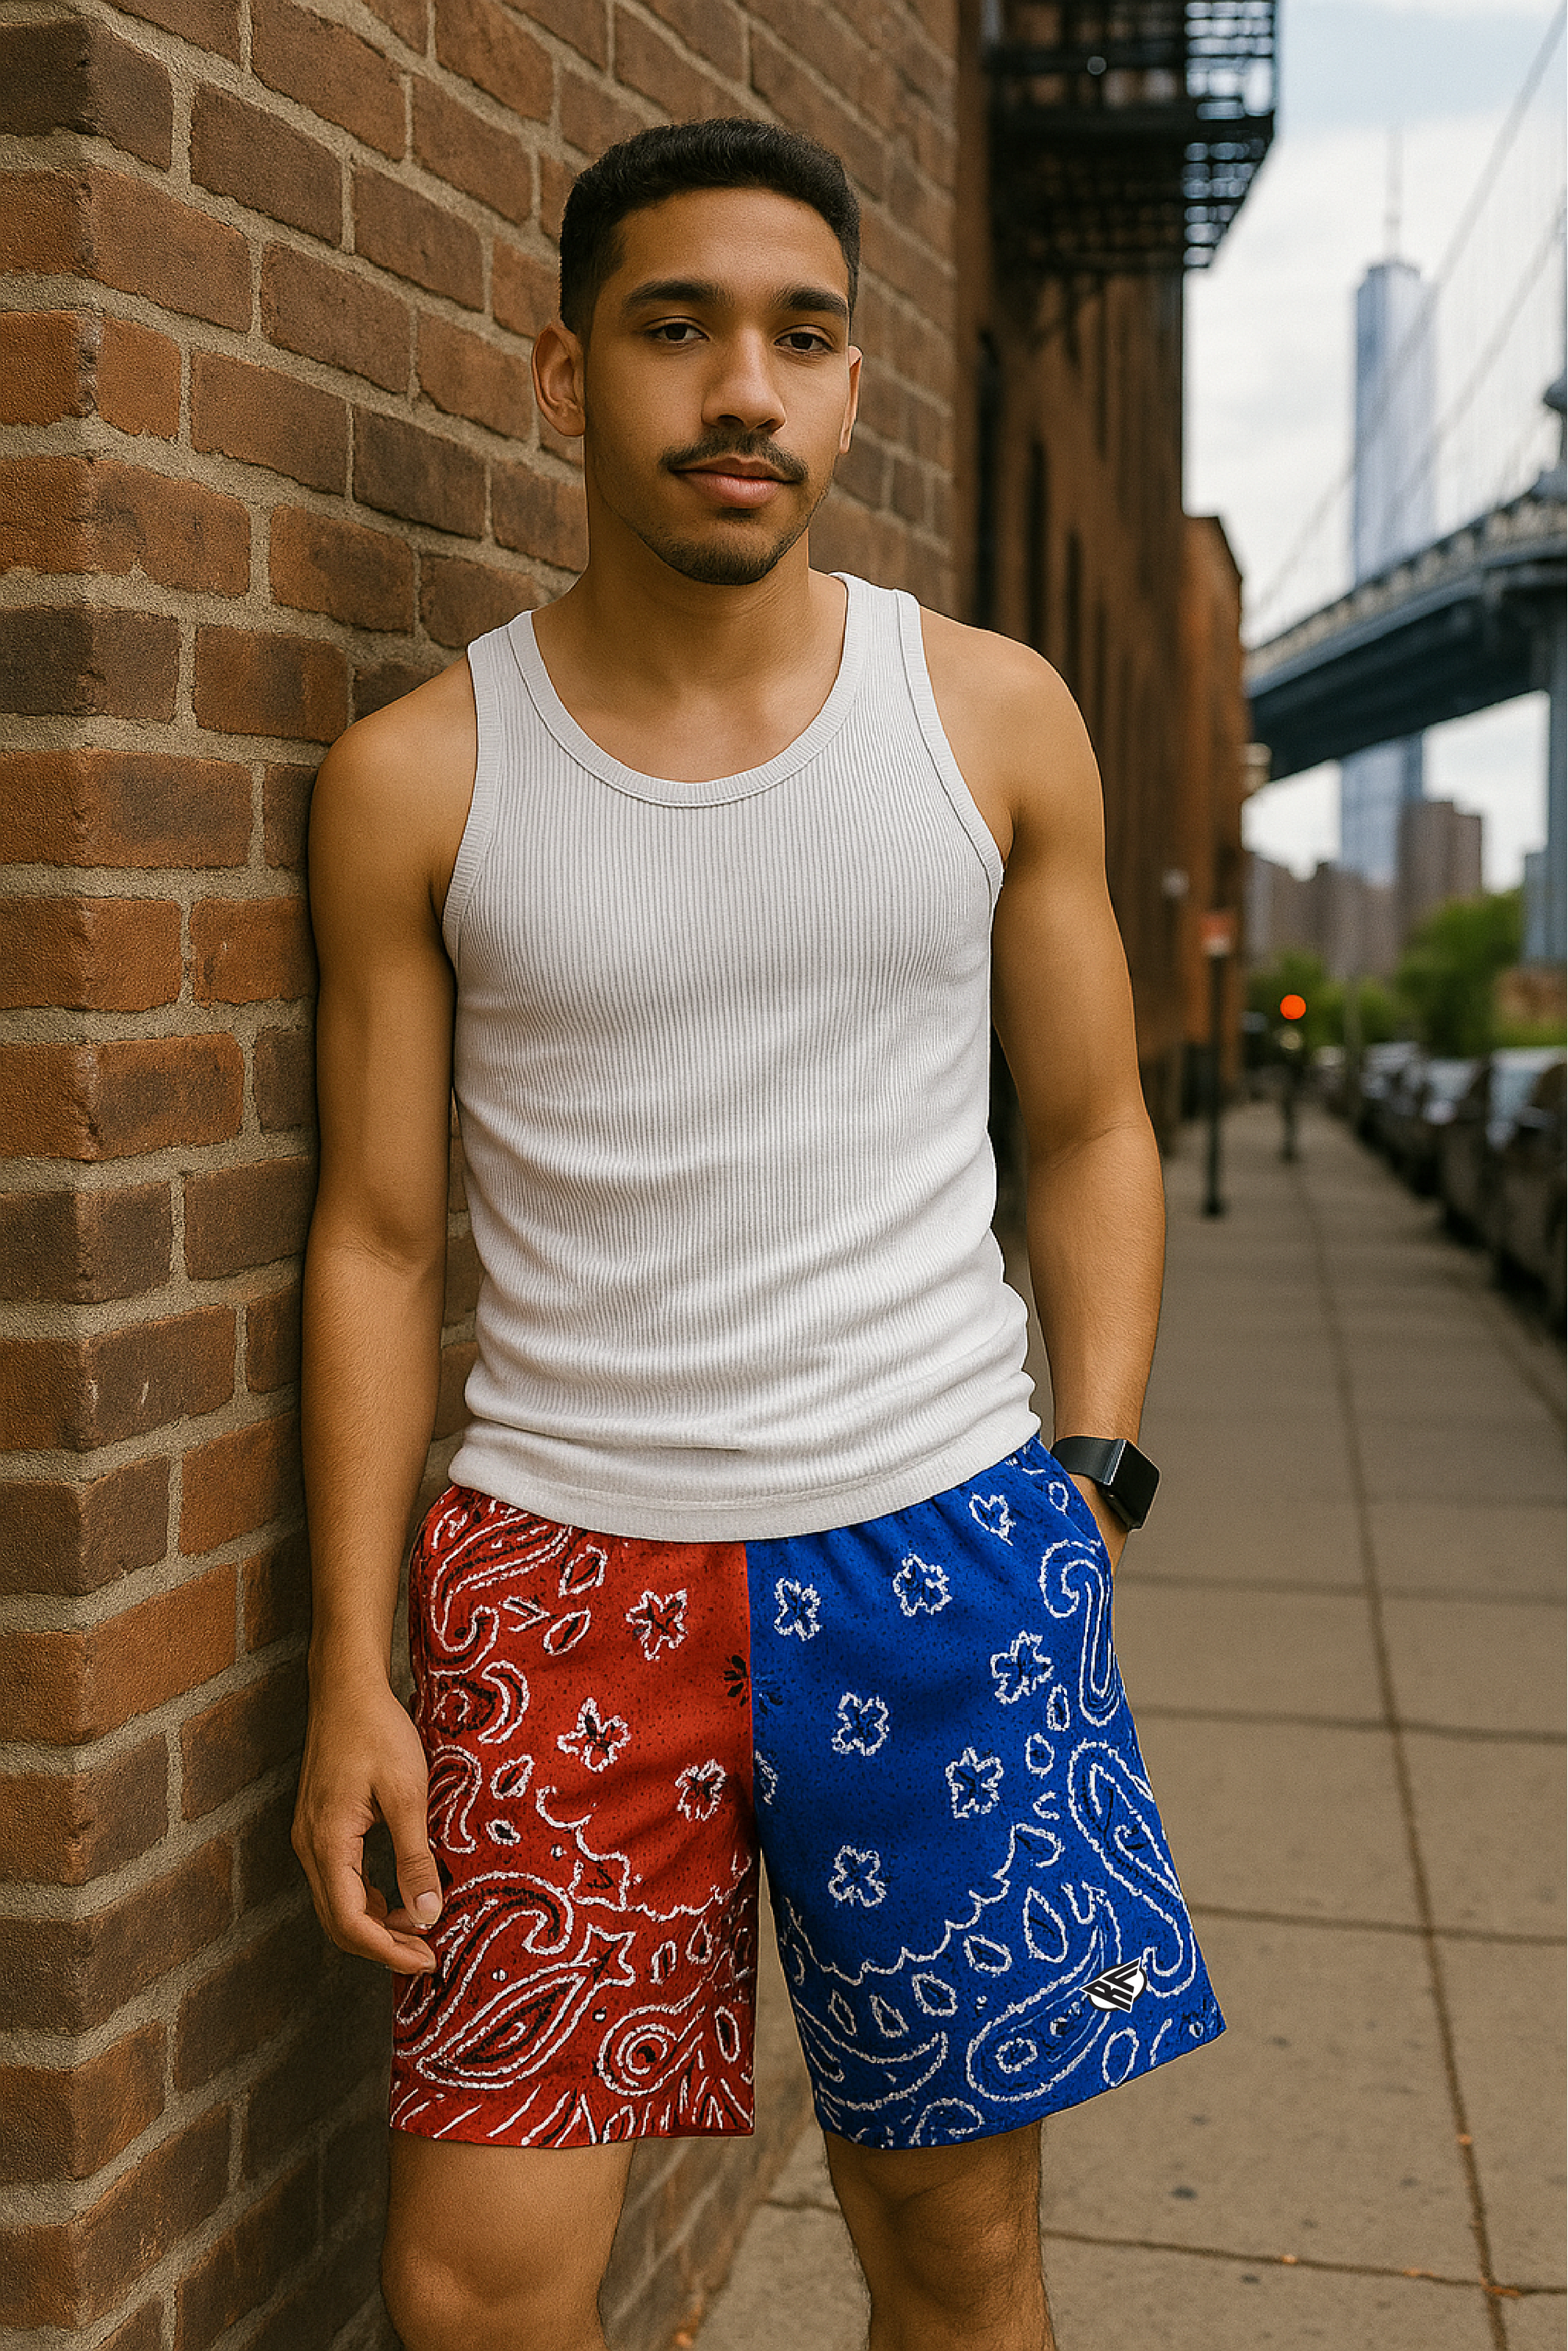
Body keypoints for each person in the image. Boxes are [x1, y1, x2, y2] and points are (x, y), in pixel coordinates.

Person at [293, 117, 1221, 2351]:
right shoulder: (423, 774)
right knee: (477, 2295)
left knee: (959, 2262)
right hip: (558, 1581)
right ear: (562, 374)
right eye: (676, 329)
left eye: (802, 338)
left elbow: (1095, 1125)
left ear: (852, 384)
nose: (744, 392)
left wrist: (1092, 1474)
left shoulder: (988, 717)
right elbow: (379, 1242)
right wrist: (350, 1669)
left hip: (945, 1555)